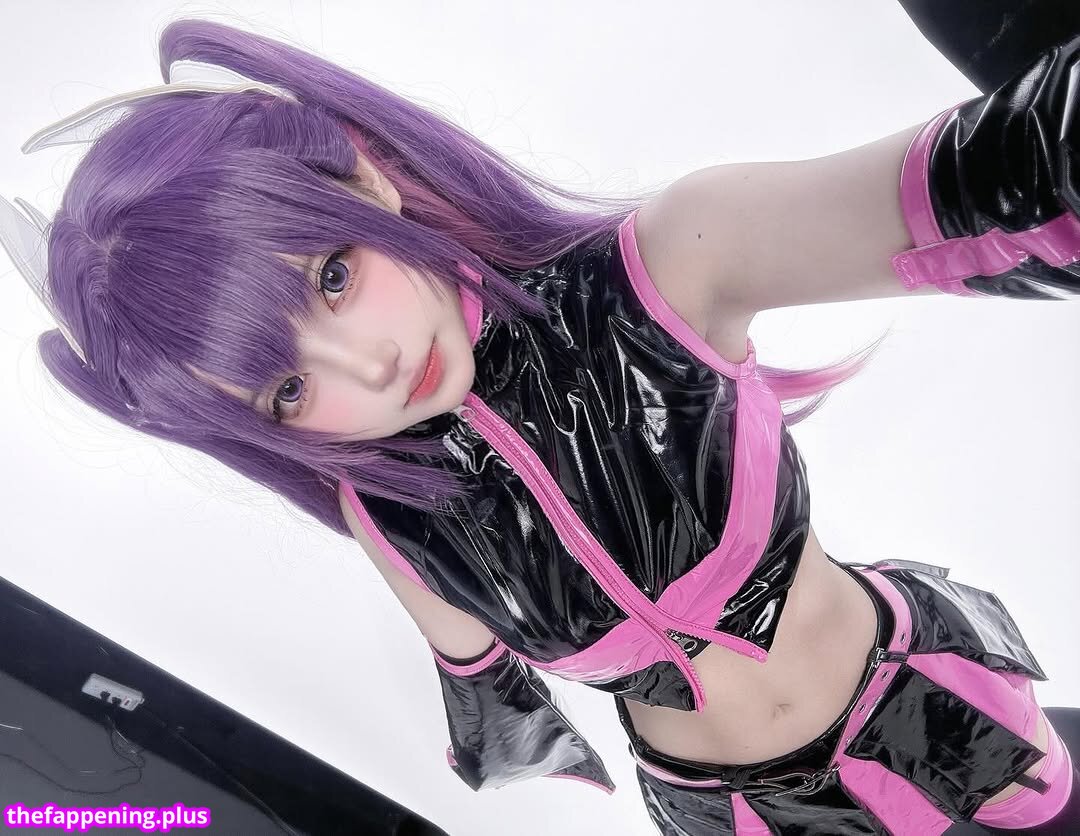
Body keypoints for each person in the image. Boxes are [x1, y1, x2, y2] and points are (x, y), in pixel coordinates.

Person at [3, 15, 1077, 835]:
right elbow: (485, 688)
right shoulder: (391, 514)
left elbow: (998, 183)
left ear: (364, 176)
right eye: (286, 390)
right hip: (729, 813)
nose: (369, 365)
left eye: (333, 276)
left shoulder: (667, 270)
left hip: (926, 704)